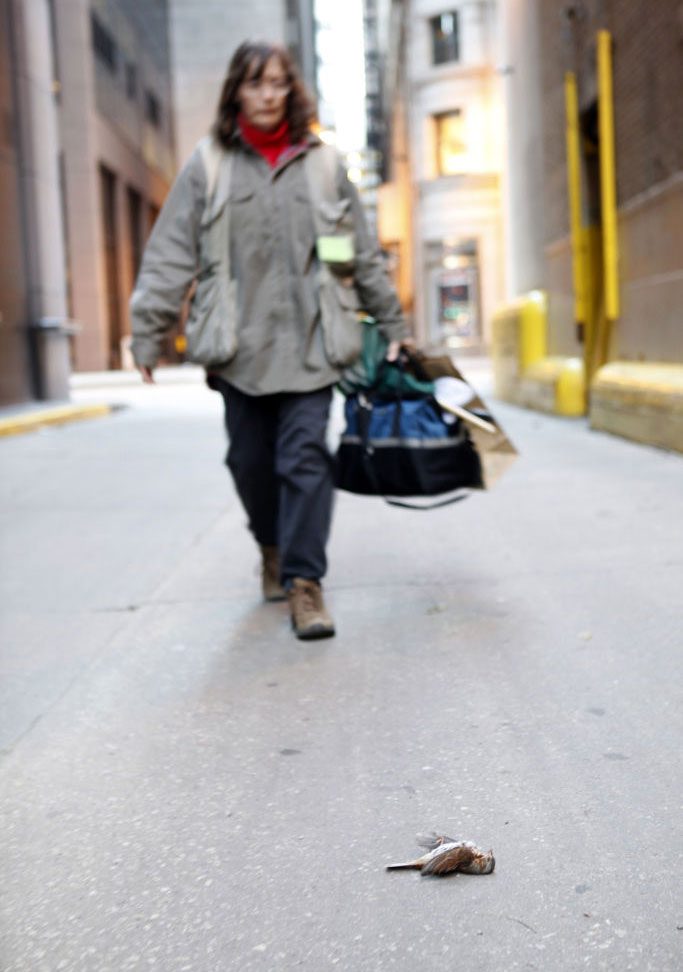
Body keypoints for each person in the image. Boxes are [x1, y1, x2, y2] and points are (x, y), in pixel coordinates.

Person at [130, 40, 411, 640]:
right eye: (255, 84)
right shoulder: (208, 166)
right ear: (237, 90)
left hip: (314, 345)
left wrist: (393, 325)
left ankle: (306, 583)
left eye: (277, 83)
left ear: (291, 90)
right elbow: (170, 254)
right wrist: (149, 332)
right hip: (238, 348)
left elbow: (360, 254)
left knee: (306, 458)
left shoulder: (325, 165)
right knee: (250, 462)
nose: (266, 95)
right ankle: (272, 546)